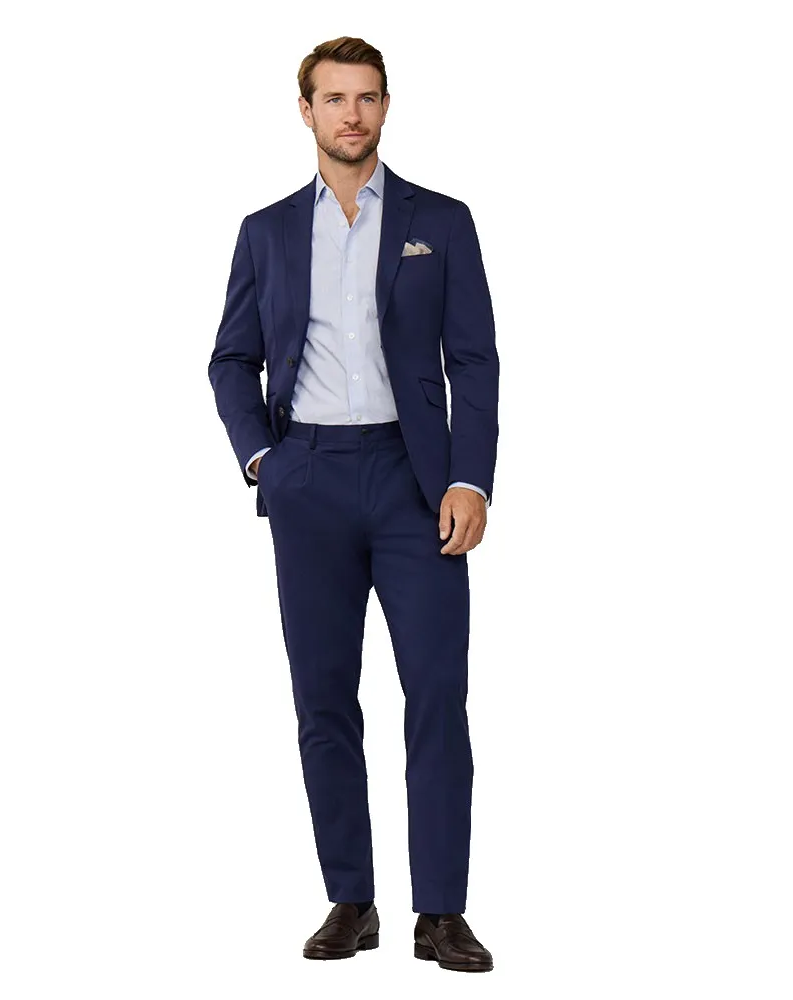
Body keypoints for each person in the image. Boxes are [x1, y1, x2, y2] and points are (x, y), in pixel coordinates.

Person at [208, 36, 499, 973]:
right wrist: (264, 459)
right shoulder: (266, 231)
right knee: (324, 698)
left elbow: (474, 361)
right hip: (310, 480)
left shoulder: (440, 221)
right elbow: (230, 359)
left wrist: (470, 478)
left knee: (437, 693)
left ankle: (441, 912)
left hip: (417, 485)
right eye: (334, 99)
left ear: (385, 106)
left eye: (367, 97)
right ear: (307, 110)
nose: (352, 114)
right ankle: (352, 899)